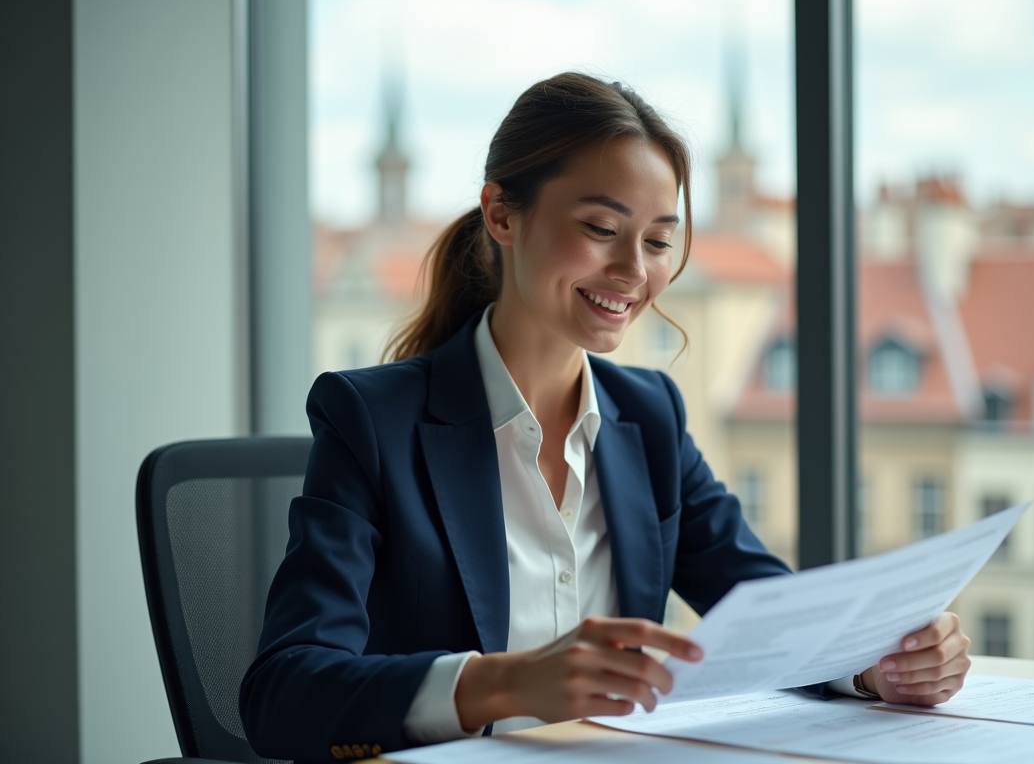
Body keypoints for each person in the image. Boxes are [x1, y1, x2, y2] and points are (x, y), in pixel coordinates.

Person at [239, 73, 971, 762]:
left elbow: (768, 613)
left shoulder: (648, 415)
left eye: (657, 240)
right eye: (600, 228)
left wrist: (877, 664)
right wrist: (505, 683)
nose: (634, 270)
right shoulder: (373, 419)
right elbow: (284, 694)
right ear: (501, 214)